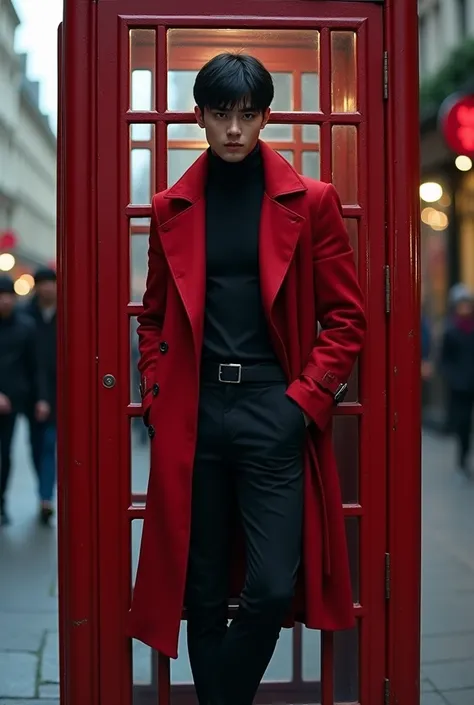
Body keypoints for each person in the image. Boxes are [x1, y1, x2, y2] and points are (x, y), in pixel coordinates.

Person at [127, 53, 366, 705]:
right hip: (195, 415)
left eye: (248, 115)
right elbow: (150, 317)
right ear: (199, 116)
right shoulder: (170, 207)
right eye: (222, 115)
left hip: (272, 408)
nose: (234, 129)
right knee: (202, 588)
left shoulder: (311, 202)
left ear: (265, 117)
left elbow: (347, 317)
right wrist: (155, 396)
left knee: (267, 585)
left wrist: (301, 402)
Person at [0, 275, 50, 525]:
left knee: (29, 450)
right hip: (2, 399)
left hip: (23, 398)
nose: (5, 300)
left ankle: (39, 498)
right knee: (2, 454)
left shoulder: (26, 326)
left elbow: (36, 366)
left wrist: (42, 398)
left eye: (8, 295)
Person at [24, 267, 57, 524]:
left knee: (48, 445)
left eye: (51, 283)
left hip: (60, 391)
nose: (48, 288)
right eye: (43, 283)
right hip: (31, 391)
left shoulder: (68, 310)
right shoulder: (26, 314)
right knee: (36, 446)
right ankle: (43, 493)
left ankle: (46, 497)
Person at [440, 283, 474, 476]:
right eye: (462, 304)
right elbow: (444, 361)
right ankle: (462, 458)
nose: (465, 308)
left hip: (472, 382)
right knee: (463, 422)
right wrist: (453, 377)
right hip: (460, 385)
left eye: (467, 304)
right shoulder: (451, 331)